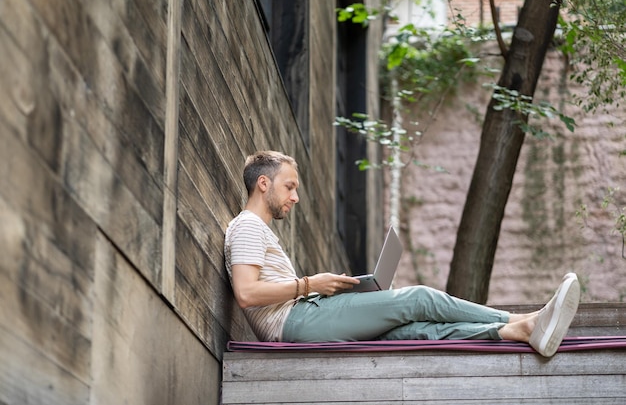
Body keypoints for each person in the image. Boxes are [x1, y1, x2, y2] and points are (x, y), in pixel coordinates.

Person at [224, 150, 580, 357]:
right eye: (290, 187)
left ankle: (519, 331)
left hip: (302, 318)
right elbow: (246, 293)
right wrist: (310, 284)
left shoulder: (257, 230)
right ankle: (518, 316)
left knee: (416, 331)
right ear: (263, 183)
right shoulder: (247, 226)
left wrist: (322, 286)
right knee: (419, 297)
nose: (295, 197)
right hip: (295, 322)